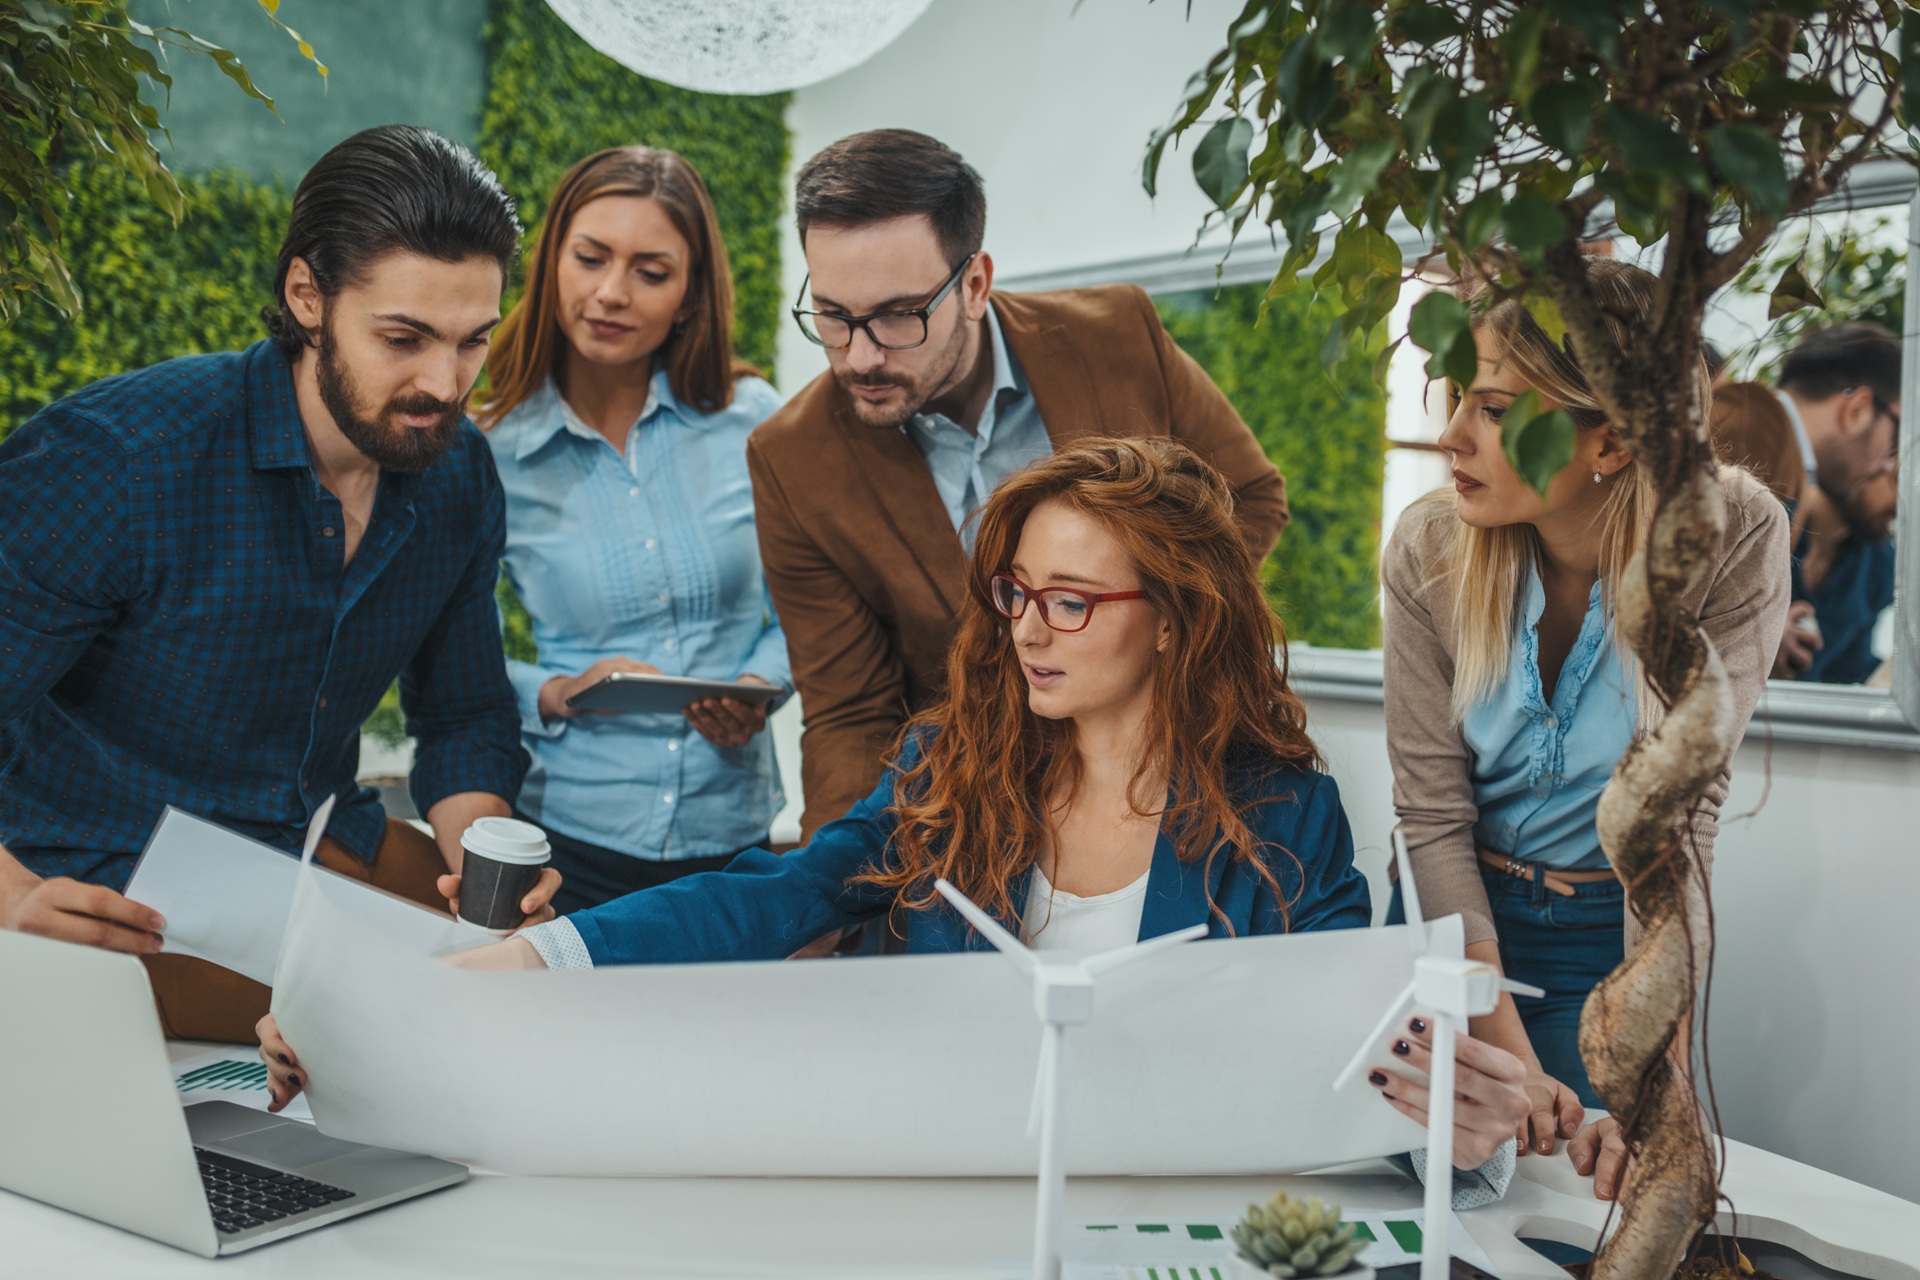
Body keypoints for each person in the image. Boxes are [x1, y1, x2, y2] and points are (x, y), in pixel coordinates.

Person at [261, 438, 1532, 1192]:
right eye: (1014, 589)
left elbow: (1355, 1071)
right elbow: (774, 895)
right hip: (941, 1188)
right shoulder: (954, 759)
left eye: (1072, 600)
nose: (1026, 626)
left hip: (1153, 1210)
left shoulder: (1286, 814)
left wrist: (1449, 1136)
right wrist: (522, 958)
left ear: (1180, 613)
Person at [0, 125, 557, 1042]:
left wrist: (483, 870)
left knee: (545, 980)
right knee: (419, 1030)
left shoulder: (458, 477)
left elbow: (462, 718)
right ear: (308, 295)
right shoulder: (120, 461)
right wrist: (16, 900)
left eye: (472, 343)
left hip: (316, 849)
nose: (444, 384)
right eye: (404, 338)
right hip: (106, 881)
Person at [751, 129, 1291, 843]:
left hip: (1183, 777)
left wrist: (1145, 637)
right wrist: (828, 893)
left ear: (974, 285)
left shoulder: (1118, 333)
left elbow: (1248, 498)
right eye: (832, 315)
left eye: (897, 315)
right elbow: (850, 713)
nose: (861, 355)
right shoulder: (792, 458)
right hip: (974, 816)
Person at [1383, 259, 1791, 1160]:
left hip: (1608, 949)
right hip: (1453, 921)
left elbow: (1681, 818)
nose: (1450, 436)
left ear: (1611, 442)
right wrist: (1503, 1051)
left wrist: (1661, 1069)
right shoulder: (1429, 548)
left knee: (1597, 1197)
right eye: (1459, 399)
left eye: (1491, 410)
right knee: (1430, 1205)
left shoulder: (1736, 536)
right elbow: (1430, 818)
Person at [476, 147, 790, 914]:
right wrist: (552, 692)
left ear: (690, 296)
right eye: (590, 259)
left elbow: (821, 600)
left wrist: (761, 685)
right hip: (567, 837)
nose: (610, 294)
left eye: (651, 273)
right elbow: (445, 649)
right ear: (553, 262)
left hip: (735, 835)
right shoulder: (490, 449)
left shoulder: (755, 422)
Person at [1711, 324, 1900, 683]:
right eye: (1897, 431)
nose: (1889, 462)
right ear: (1858, 409)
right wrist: (1746, 629)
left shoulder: (1863, 549)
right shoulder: (1741, 429)